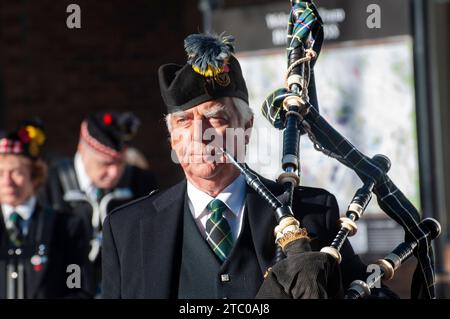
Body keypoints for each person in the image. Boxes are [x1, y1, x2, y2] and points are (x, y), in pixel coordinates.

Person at [102, 33, 382, 299]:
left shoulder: (312, 214)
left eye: (216, 118)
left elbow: (368, 292)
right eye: (183, 122)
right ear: (171, 136)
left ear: (246, 127)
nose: (200, 134)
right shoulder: (126, 229)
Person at [41, 111, 158, 297]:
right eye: (105, 164)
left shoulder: (140, 182)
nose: (113, 173)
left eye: (119, 163)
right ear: (82, 149)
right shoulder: (51, 184)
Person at [0, 120, 90, 298]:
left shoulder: (66, 228)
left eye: (16, 172)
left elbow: (78, 287)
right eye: (0, 173)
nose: (7, 182)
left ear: (34, 177)